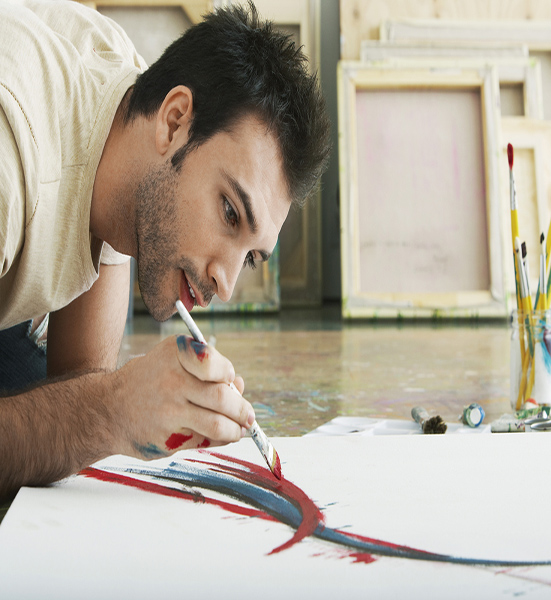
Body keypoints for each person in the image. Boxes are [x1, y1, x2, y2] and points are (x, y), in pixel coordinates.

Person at [0, 0, 330, 499]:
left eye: (252, 256)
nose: (226, 282)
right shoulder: (12, 164)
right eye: (230, 213)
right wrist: (113, 410)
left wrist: (107, 405)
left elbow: (79, 381)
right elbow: (95, 410)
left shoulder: (130, 134)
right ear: (174, 122)